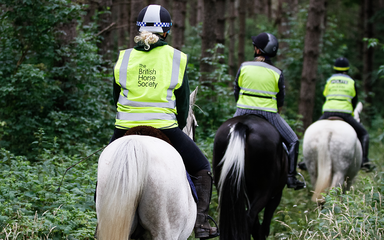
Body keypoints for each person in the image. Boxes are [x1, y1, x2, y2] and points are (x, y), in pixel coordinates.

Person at [108, 4, 218, 239]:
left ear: (139, 30)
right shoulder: (176, 58)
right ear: (166, 32)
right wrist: (177, 125)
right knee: (202, 168)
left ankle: (102, 220)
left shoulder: (124, 57)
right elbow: (183, 104)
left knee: (106, 167)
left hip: (124, 127)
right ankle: (201, 223)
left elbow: (115, 97)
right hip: (163, 126)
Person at [233, 32, 305, 190]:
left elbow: (236, 92)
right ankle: (291, 178)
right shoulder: (277, 73)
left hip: (242, 112)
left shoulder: (244, 67)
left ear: (258, 51)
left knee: (225, 134)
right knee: (293, 141)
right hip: (269, 114)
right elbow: (280, 100)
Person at [317, 57, 375, 172]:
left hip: (328, 112)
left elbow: (325, 96)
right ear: (347, 70)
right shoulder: (351, 81)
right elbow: (354, 100)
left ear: (334, 69)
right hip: (345, 114)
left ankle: (304, 160)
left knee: (312, 131)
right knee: (364, 134)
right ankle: (364, 161)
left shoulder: (329, 80)